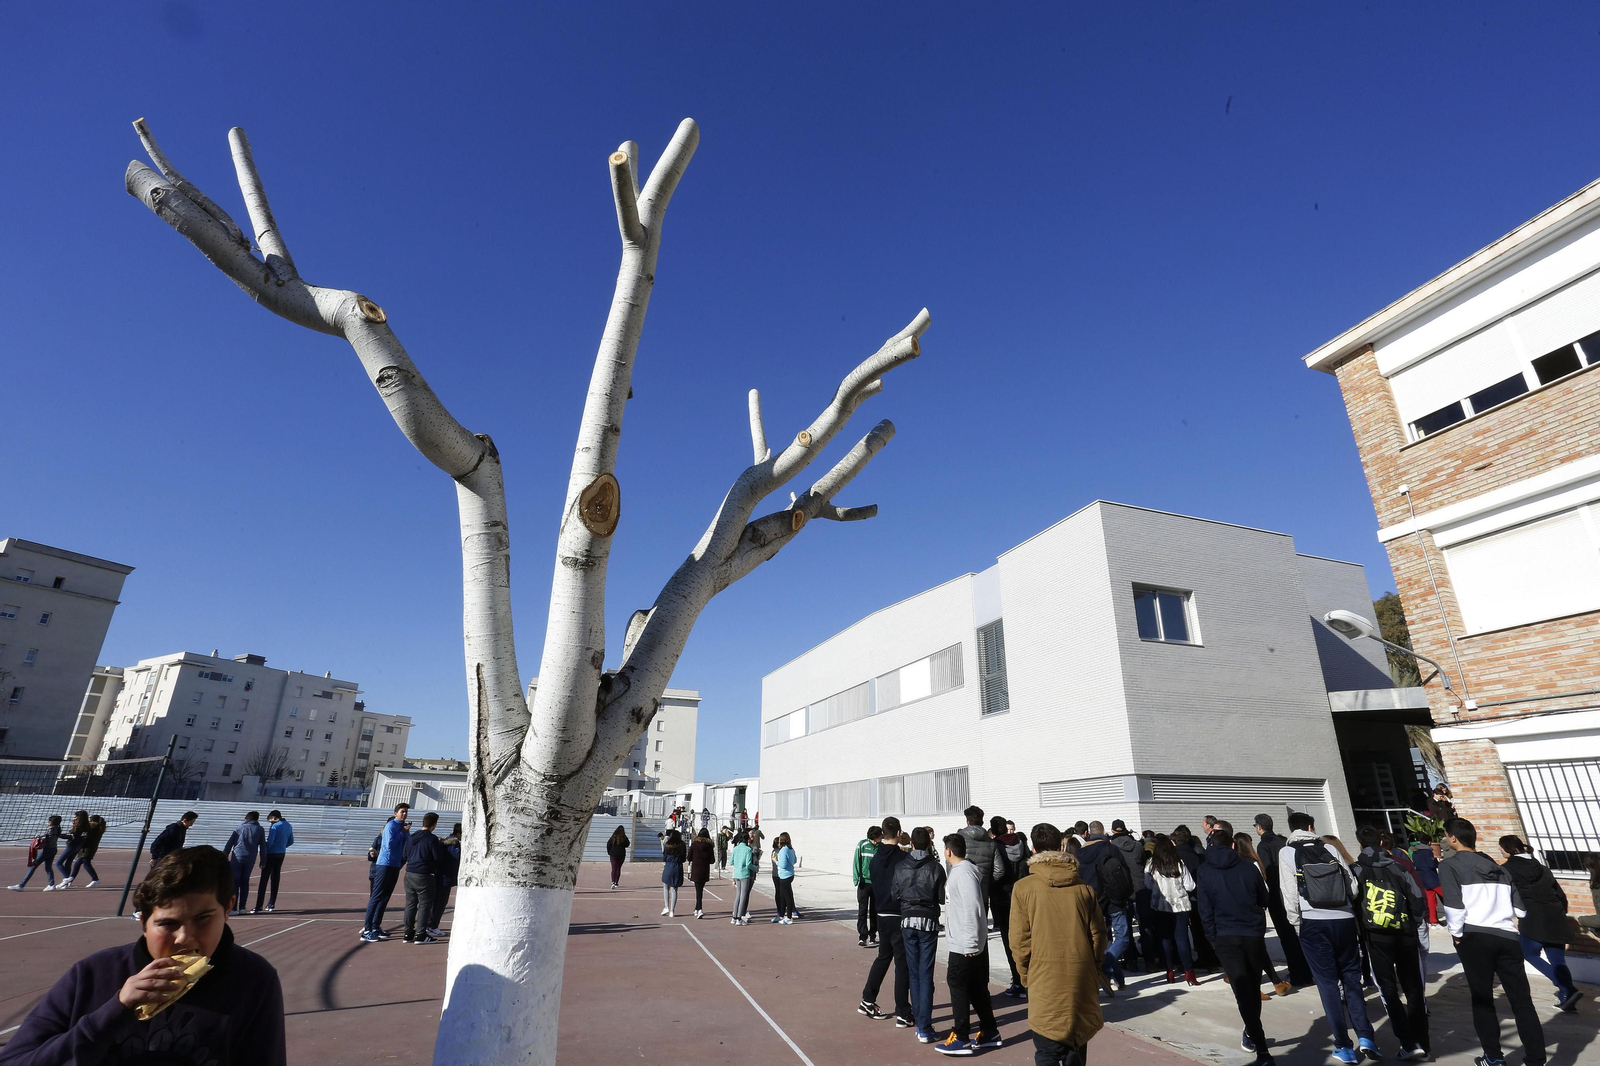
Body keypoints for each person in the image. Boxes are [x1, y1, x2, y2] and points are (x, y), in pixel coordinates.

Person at [0, 845, 286, 1066]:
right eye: (168, 924)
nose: (185, 938)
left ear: (227, 910)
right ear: (143, 922)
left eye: (203, 919)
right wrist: (116, 1010)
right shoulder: (94, 973)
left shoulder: (253, 980)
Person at [1442, 818, 1546, 1066]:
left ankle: (1493, 1057)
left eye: (1446, 836)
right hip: (1508, 938)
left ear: (1453, 838)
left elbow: (1454, 906)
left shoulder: (1450, 866)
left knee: (1483, 999)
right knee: (1522, 1001)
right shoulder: (1501, 869)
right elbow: (1520, 911)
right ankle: (1536, 1058)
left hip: (1475, 937)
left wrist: (1456, 935)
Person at [1279, 812, 1374, 1064]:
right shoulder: (1330, 848)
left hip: (1313, 922)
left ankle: (1344, 1046)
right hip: (1343, 920)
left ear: (1291, 829)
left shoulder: (1286, 853)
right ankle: (1366, 1037)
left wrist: (1297, 925)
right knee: (1352, 979)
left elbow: (1289, 894)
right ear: (1311, 827)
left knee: (1328, 984)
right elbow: (1352, 886)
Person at [1011, 822, 1106, 1066]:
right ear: (1061, 845)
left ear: (1033, 849)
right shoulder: (1084, 889)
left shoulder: (1023, 888)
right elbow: (1098, 935)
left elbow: (1020, 941)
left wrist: (1025, 976)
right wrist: (1093, 968)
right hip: (1080, 974)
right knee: (1076, 1044)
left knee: (1047, 1048)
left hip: (1043, 976)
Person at [1197, 830, 1275, 1065]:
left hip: (1225, 936)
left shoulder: (1204, 871)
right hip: (1250, 933)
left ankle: (1257, 1042)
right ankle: (1256, 1040)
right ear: (1232, 845)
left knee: (1244, 991)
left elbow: (1204, 909)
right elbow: (1264, 899)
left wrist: (1213, 939)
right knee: (1251, 987)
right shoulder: (1248, 867)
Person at [1353, 825, 1430, 1061]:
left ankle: (1407, 1042)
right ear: (1381, 842)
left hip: (1376, 937)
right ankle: (1423, 1045)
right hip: (1405, 934)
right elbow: (1418, 899)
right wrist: (1414, 923)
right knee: (1414, 989)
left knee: (1387, 990)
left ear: (1360, 844)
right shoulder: (1398, 866)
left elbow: (1353, 902)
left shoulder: (1356, 870)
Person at [1499, 835, 1582, 1012]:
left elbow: (1506, 895)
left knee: (1528, 953)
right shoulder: (1542, 868)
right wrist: (1561, 911)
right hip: (1555, 916)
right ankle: (1567, 997)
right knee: (1558, 960)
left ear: (1506, 849)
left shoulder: (1506, 870)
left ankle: (1568, 989)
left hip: (1532, 919)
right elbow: (1559, 893)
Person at [936, 832, 1000, 1055]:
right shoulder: (962, 872)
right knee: (975, 987)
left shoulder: (962, 874)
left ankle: (961, 1036)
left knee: (958, 984)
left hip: (965, 943)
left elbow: (972, 908)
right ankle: (990, 1031)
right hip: (966, 941)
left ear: (948, 851)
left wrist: (971, 943)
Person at [891, 825, 946, 1043]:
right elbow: (941, 897)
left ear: (911, 843)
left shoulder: (900, 866)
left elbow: (894, 893)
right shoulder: (936, 867)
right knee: (925, 975)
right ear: (930, 844)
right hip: (928, 922)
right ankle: (925, 1026)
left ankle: (921, 1024)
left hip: (907, 920)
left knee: (914, 974)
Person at [858, 816, 911, 1025]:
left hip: (881, 913)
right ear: (898, 833)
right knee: (902, 963)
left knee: (883, 957)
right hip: (898, 913)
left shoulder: (875, 857)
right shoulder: (903, 858)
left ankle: (867, 999)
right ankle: (903, 1012)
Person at [1253, 814, 1313, 987]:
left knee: (1287, 938)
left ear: (1259, 827)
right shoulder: (1283, 842)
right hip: (1293, 892)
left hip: (1277, 897)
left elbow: (1268, 873)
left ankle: (1297, 974)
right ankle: (1307, 971)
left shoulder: (1263, 845)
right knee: (1298, 935)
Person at [1075, 821, 1134, 991]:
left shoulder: (1080, 853)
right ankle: (1106, 967)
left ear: (1088, 833)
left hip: (1094, 902)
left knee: (1104, 939)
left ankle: (1118, 979)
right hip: (1114, 899)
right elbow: (1123, 872)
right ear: (1103, 832)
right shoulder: (1110, 848)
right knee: (1122, 938)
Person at [1233, 832, 1291, 995]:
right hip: (1255, 910)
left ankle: (1266, 984)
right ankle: (1275, 983)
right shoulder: (1254, 862)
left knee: (1253, 951)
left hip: (1240, 911)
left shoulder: (1236, 863)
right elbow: (1263, 888)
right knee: (1257, 949)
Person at [1145, 834, 1197, 983]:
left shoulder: (1151, 864)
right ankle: (1189, 972)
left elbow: (1148, 885)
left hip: (1160, 905)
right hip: (1180, 905)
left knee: (1165, 939)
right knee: (1181, 939)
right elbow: (1190, 885)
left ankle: (1169, 971)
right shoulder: (1178, 862)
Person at [992, 815, 1032, 997]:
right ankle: (1029, 980)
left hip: (1003, 897)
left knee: (1010, 941)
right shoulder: (1022, 845)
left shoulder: (996, 847)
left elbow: (997, 872)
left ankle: (1018, 981)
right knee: (1028, 937)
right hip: (1024, 895)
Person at [361, 803, 410, 942]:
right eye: (402, 812)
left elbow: (406, 844)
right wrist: (402, 833)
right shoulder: (391, 826)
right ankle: (367, 929)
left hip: (395, 865)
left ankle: (376, 926)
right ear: (395, 813)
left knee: (386, 896)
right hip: (384, 864)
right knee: (376, 896)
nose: (404, 814)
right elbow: (389, 845)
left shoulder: (404, 827)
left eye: (406, 812)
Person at [400, 812, 448, 944]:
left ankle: (408, 933)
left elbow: (405, 855)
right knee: (425, 905)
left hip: (409, 873)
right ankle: (421, 934)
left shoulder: (412, 837)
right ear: (434, 825)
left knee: (410, 904)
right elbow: (437, 857)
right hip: (424, 874)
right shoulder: (432, 839)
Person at [1108, 819, 1148, 972]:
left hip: (1123, 891)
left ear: (1113, 831)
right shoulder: (1138, 846)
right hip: (1140, 888)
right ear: (1125, 830)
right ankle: (1149, 959)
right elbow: (1142, 863)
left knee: (1127, 929)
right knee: (1145, 926)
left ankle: (1131, 961)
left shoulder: (1111, 848)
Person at [957, 805, 1000, 914]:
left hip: (962, 892)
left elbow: (951, 866)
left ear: (968, 822)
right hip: (982, 893)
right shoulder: (991, 842)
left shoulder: (958, 839)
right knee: (981, 929)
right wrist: (986, 881)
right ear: (982, 821)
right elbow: (999, 870)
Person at [222, 812, 265, 918]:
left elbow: (230, 842)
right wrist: (263, 860)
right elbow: (263, 846)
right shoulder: (260, 829)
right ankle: (242, 907)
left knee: (235, 881)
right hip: (250, 858)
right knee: (245, 881)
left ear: (247, 818)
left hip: (238, 856)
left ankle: (234, 908)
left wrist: (224, 854)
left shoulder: (240, 827)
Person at [10, 815, 65, 891]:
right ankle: (51, 884)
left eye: (50, 821)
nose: (48, 822)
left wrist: (38, 838)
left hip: (47, 850)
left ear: (52, 822)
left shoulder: (52, 829)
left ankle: (21, 885)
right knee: (48, 867)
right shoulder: (57, 829)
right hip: (53, 849)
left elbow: (47, 840)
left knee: (33, 866)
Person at [253, 811, 293, 914]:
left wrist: (264, 847)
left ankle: (258, 906)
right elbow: (291, 841)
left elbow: (270, 841)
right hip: (281, 853)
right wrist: (282, 846)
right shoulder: (288, 825)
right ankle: (271, 903)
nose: (270, 823)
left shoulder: (275, 826)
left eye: (270, 820)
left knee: (264, 879)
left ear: (274, 818)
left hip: (271, 854)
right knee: (275, 877)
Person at [853, 825, 882, 947]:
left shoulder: (882, 847)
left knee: (875, 910)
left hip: (877, 884)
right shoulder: (862, 845)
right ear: (875, 836)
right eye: (880, 834)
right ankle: (862, 936)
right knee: (862, 910)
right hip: (864, 883)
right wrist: (856, 878)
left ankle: (872, 935)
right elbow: (856, 861)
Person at [67, 815, 107, 888]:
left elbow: (83, 830)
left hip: (88, 848)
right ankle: (70, 880)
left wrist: (76, 823)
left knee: (86, 864)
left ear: (92, 821)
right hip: (87, 848)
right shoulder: (96, 827)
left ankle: (95, 879)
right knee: (77, 864)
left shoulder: (94, 827)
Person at [55, 811, 90, 884]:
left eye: (75, 817)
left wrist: (58, 835)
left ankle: (67, 879)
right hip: (78, 846)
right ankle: (67, 882)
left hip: (72, 846)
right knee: (68, 863)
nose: (73, 819)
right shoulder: (86, 826)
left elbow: (71, 836)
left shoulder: (78, 827)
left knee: (58, 863)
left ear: (79, 818)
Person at [688, 828, 716, 918]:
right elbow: (712, 860)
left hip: (696, 869)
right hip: (704, 870)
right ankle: (697, 908)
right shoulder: (709, 845)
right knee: (700, 890)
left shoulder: (694, 844)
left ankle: (699, 908)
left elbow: (689, 857)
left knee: (698, 890)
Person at [771, 832, 798, 923]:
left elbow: (782, 864)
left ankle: (789, 917)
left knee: (787, 896)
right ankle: (781, 915)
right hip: (789, 874)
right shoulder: (791, 849)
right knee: (783, 895)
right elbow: (795, 860)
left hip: (784, 875)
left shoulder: (783, 850)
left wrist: (776, 861)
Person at [729, 830, 754, 925]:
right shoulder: (748, 849)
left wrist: (737, 863)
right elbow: (748, 864)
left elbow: (731, 862)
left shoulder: (735, 849)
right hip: (744, 874)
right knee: (743, 896)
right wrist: (755, 868)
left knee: (738, 895)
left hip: (737, 874)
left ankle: (734, 917)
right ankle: (739, 918)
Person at [660, 829, 686, 918]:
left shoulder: (668, 845)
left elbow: (664, 858)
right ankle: (672, 910)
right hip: (678, 867)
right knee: (674, 888)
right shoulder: (682, 845)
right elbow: (683, 859)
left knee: (666, 886)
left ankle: (666, 906)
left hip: (668, 866)